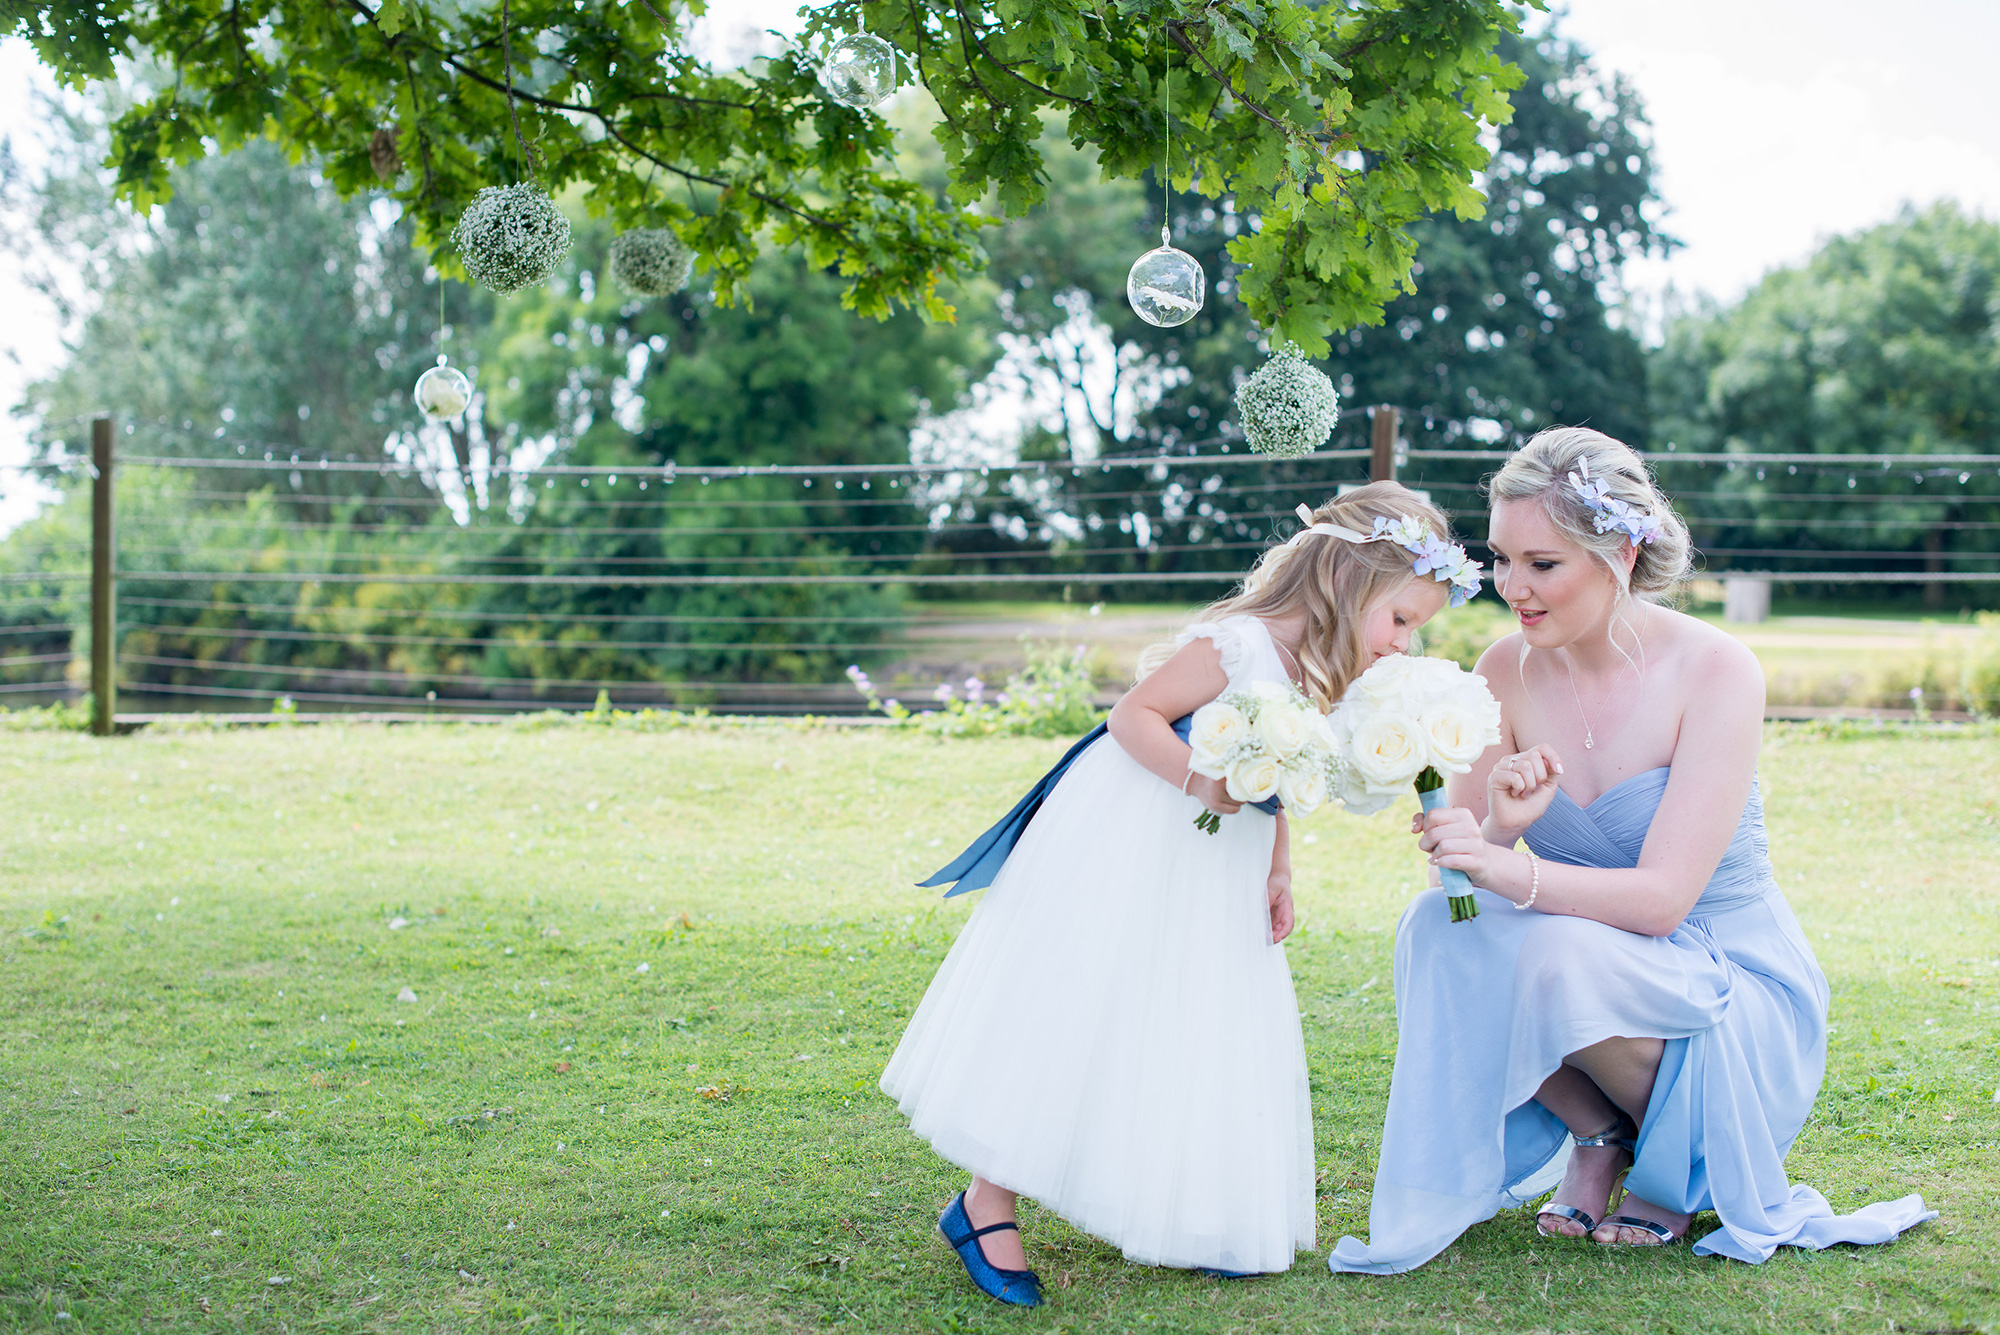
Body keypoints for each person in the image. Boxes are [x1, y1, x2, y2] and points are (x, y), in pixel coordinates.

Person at [1328, 427, 1936, 1274]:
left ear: (1618, 549)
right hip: (1589, 954)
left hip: (1726, 976)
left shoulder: (1717, 669)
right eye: (1501, 560)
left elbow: (1662, 903)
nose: (1512, 588)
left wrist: (1514, 866)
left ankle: (1676, 1166)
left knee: (1555, 947)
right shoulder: (1504, 668)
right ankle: (1600, 1132)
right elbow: (1463, 876)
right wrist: (1498, 825)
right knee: (1439, 927)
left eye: (1542, 564)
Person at [880, 484, 1481, 1305]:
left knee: (1194, 1007)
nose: (1404, 642)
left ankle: (1175, 1203)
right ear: (1348, 579)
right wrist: (1203, 779)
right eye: (1402, 619)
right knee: (1093, 996)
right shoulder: (1237, 642)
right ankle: (985, 1201)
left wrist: (1279, 865)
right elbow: (1134, 718)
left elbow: (1284, 779)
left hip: (1222, 857)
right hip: (1139, 830)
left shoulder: (1322, 668)